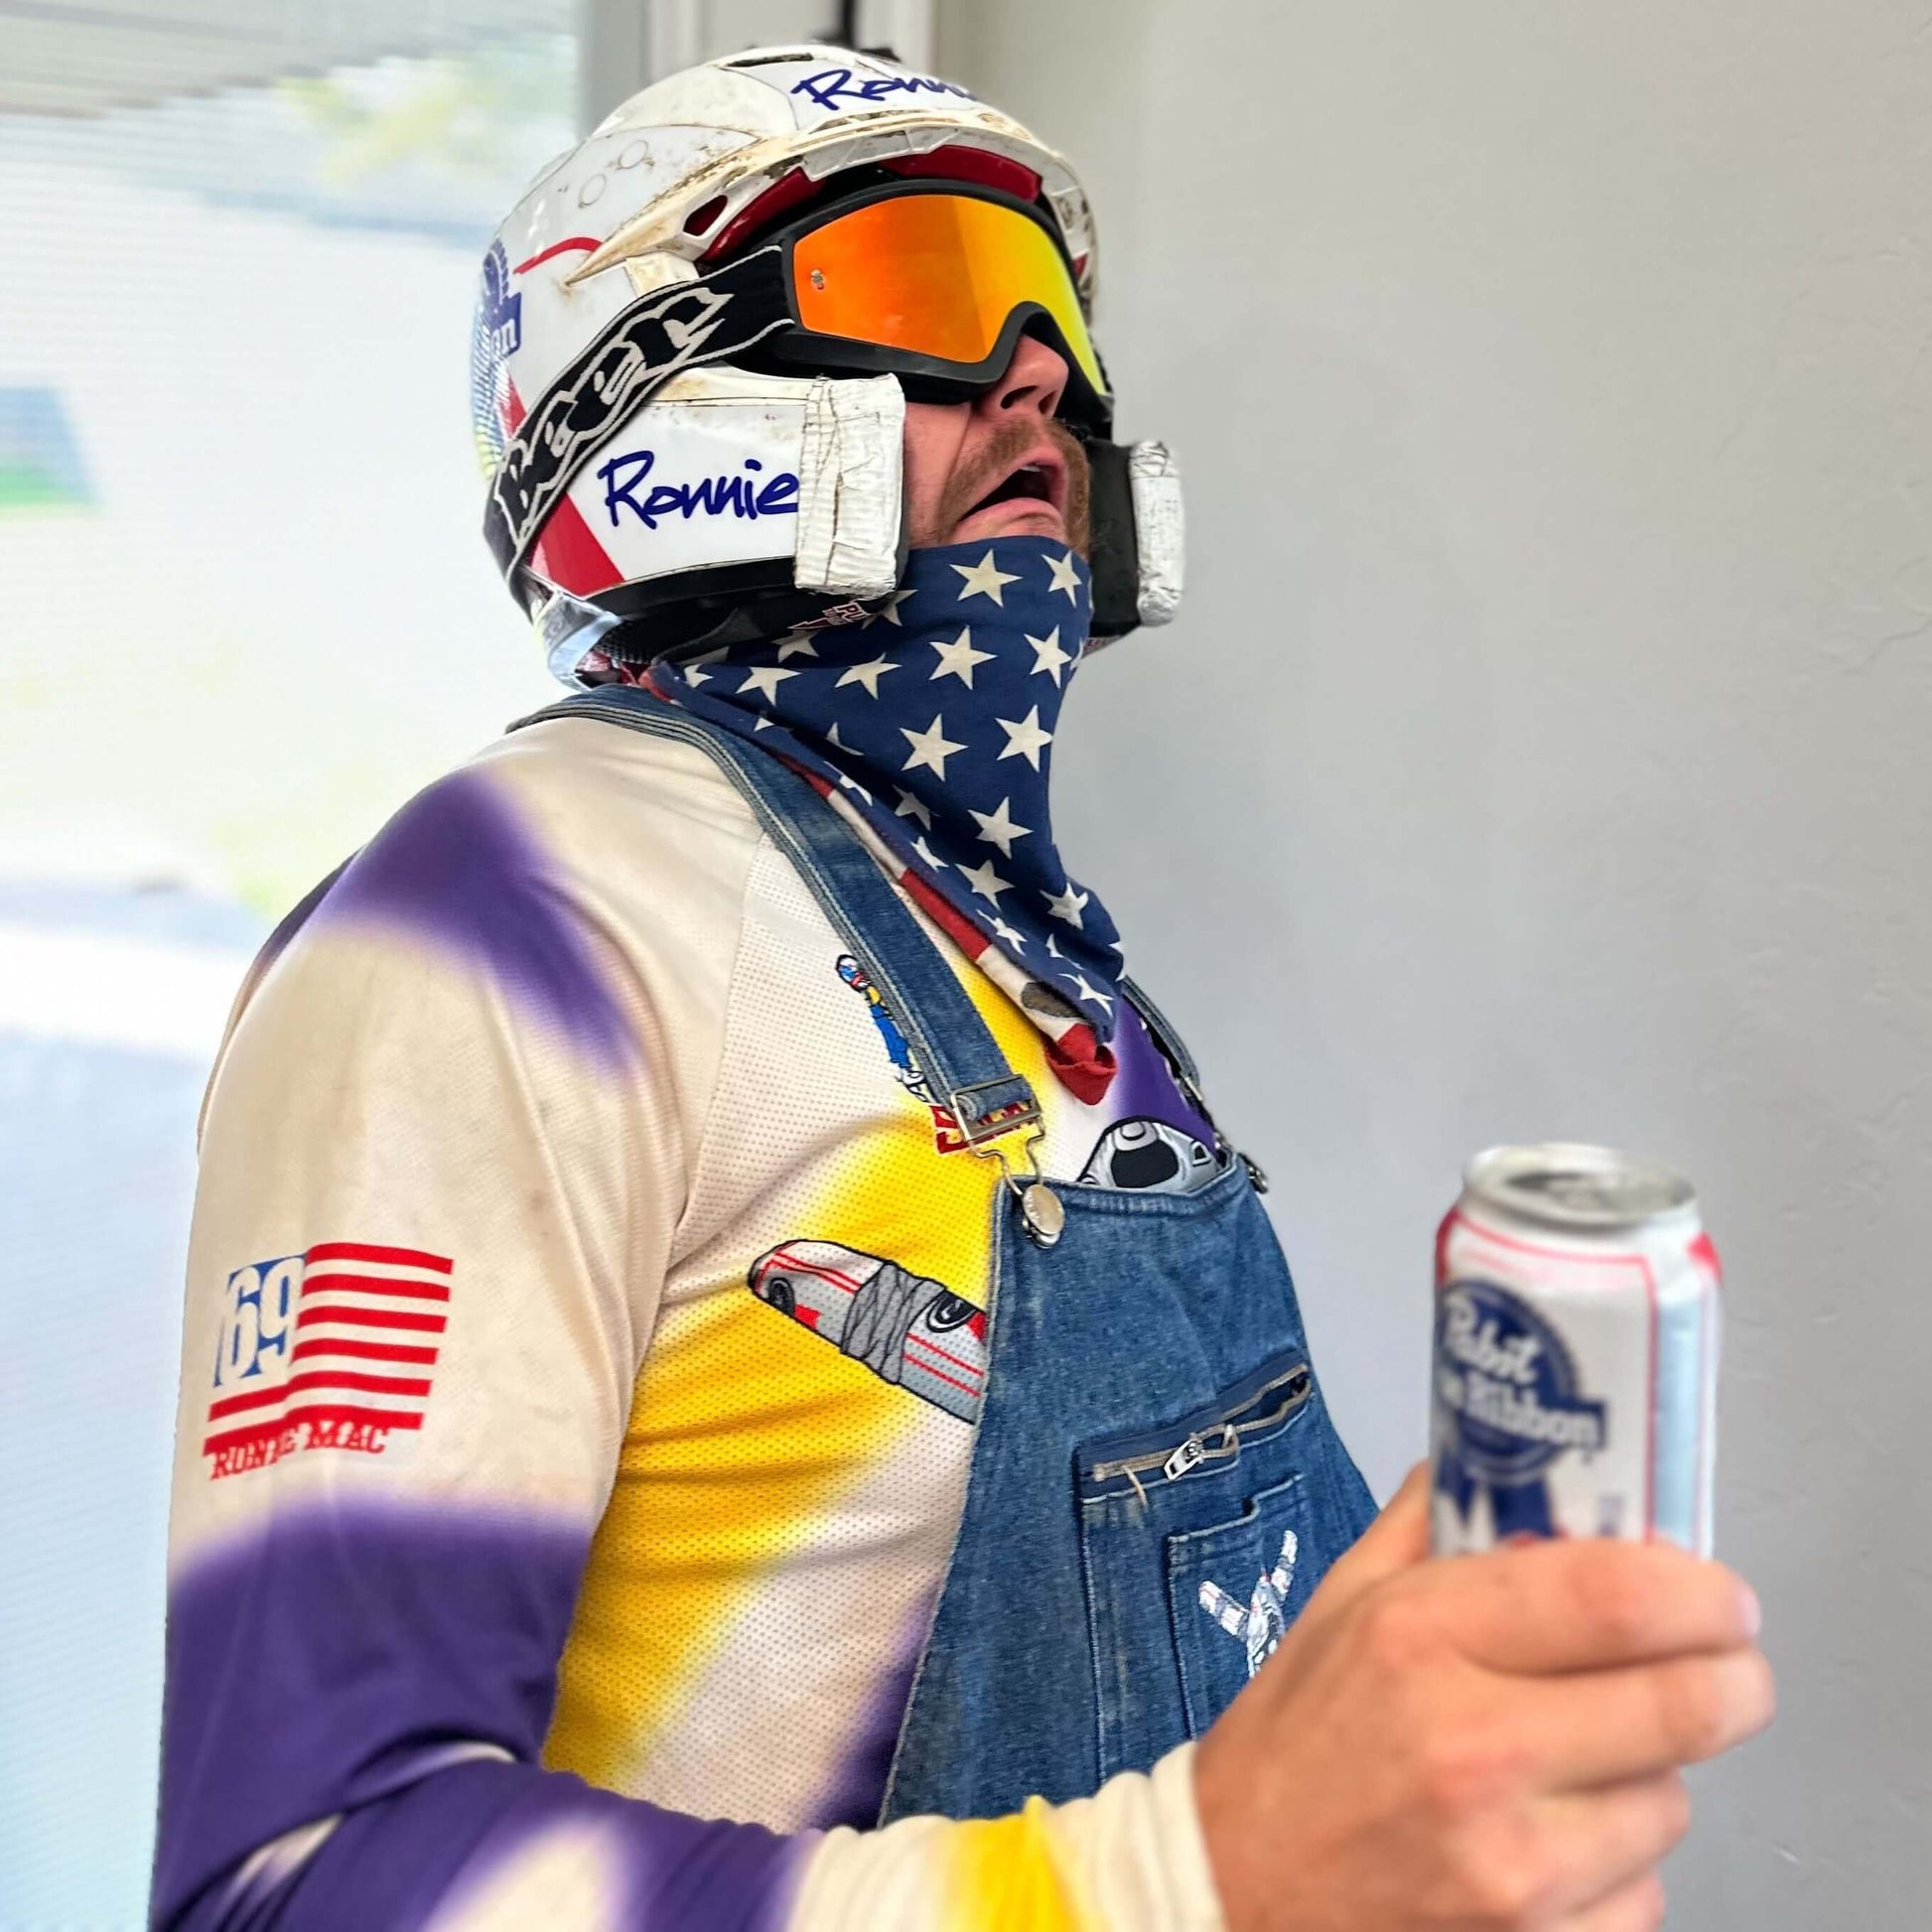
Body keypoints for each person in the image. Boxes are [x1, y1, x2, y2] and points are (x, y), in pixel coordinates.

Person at [152, 44, 1772, 1932]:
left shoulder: (1002, 933)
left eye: (1057, 330)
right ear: (646, 391)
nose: (1034, 376)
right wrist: (1190, 1876)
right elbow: (298, 1879)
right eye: (920, 286)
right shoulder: (499, 920)